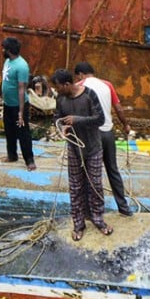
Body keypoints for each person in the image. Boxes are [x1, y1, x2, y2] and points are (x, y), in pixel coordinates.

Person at [50, 68, 109, 240]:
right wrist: (61, 127)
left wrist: (77, 120)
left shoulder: (89, 95)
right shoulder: (61, 99)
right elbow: (56, 118)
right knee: (75, 187)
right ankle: (78, 223)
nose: (57, 90)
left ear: (67, 84)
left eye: (58, 87)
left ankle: (98, 219)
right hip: (74, 149)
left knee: (95, 185)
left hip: (93, 148)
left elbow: (100, 119)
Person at [74, 61, 133, 217]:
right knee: (112, 169)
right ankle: (124, 208)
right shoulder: (107, 84)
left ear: (80, 74)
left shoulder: (79, 86)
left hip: (92, 135)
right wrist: (126, 125)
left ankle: (91, 212)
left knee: (91, 174)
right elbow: (118, 108)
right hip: (108, 133)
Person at [0, 37, 35, 170]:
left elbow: (21, 89)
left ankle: (29, 160)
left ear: (9, 50)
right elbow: (4, 79)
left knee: (23, 132)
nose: (2, 50)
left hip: (19, 106)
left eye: (4, 48)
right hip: (7, 104)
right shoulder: (7, 61)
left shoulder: (21, 65)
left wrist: (20, 112)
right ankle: (12, 155)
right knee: (9, 131)